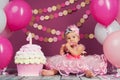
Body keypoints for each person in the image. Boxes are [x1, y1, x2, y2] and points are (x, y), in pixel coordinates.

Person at [42, 25, 107, 78]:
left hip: (78, 60)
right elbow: (61, 54)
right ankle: (53, 72)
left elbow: (76, 54)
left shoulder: (80, 46)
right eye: (69, 38)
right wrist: (62, 48)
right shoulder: (66, 46)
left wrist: (68, 47)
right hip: (68, 60)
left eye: (73, 37)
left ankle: (88, 73)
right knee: (59, 65)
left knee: (84, 67)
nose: (71, 39)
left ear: (78, 38)